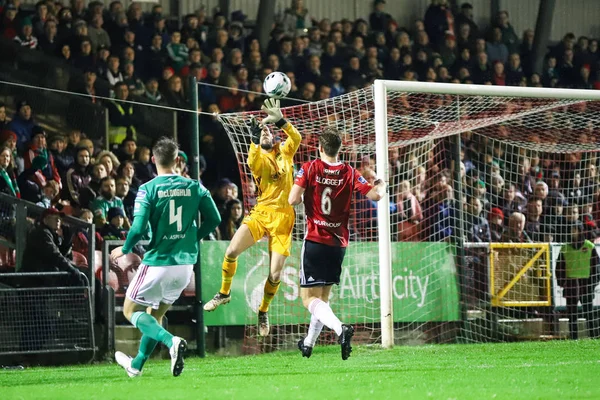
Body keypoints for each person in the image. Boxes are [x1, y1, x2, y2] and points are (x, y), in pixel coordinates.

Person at [110, 137, 221, 378]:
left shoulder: (147, 188)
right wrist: (192, 239)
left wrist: (125, 248)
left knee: (130, 311)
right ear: (178, 160)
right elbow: (215, 219)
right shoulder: (195, 186)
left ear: (153, 160)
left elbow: (138, 228)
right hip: (185, 266)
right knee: (155, 315)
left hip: (159, 261)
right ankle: (136, 365)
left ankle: (171, 342)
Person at [203, 99, 302, 338]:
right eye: (262, 133)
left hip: (283, 218)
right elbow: (254, 157)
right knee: (231, 252)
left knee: (275, 274)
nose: (266, 133)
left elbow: (296, 138)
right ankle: (224, 293)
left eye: (268, 130)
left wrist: (280, 121)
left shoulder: (284, 152)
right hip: (261, 213)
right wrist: (255, 138)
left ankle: (263, 311)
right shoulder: (255, 156)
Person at [288, 127, 385, 360]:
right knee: (323, 299)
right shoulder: (350, 172)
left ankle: (340, 328)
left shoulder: (310, 168)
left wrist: (302, 196)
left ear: (320, 148)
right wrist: (381, 184)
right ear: (339, 149)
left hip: (314, 240)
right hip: (338, 243)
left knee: (308, 299)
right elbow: (375, 196)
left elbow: (293, 199)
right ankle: (309, 343)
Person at [556, 221, 600, 340]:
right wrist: (562, 282)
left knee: (589, 313)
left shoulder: (589, 246)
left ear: (581, 231)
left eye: (575, 229)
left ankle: (594, 337)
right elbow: (559, 266)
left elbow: (596, 267)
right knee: (572, 314)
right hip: (571, 283)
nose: (572, 232)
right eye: (571, 230)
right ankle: (573, 338)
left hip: (586, 283)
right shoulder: (565, 248)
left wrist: (593, 282)